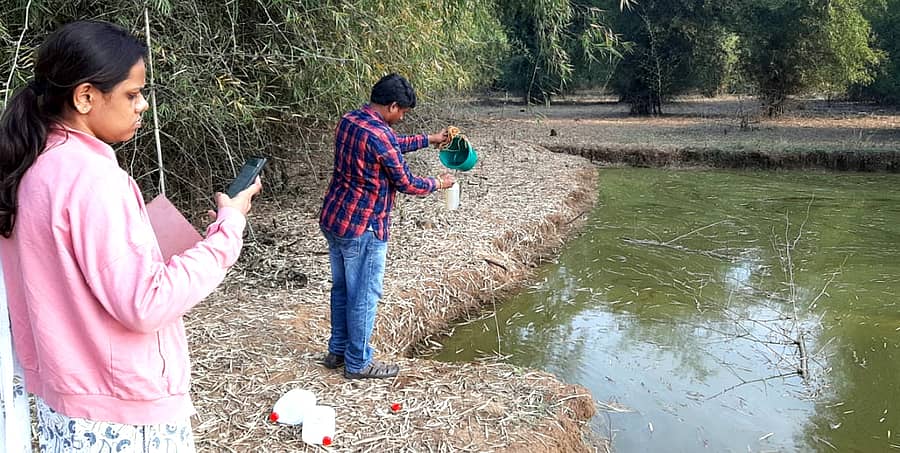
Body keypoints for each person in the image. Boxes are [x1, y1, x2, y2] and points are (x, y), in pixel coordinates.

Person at [0, 20, 261, 451]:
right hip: (122, 412)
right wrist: (228, 226)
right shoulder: (94, 178)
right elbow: (145, 303)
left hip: (64, 401)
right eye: (131, 94)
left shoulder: (28, 165)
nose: (141, 106)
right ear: (85, 96)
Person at [319, 73, 454, 379]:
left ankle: (337, 351)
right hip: (363, 227)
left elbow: (391, 145)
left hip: (335, 219)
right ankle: (358, 363)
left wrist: (430, 139)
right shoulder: (380, 136)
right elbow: (406, 182)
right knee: (364, 295)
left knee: (342, 289)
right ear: (393, 106)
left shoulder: (350, 120)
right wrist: (439, 183)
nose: (402, 117)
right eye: (402, 112)